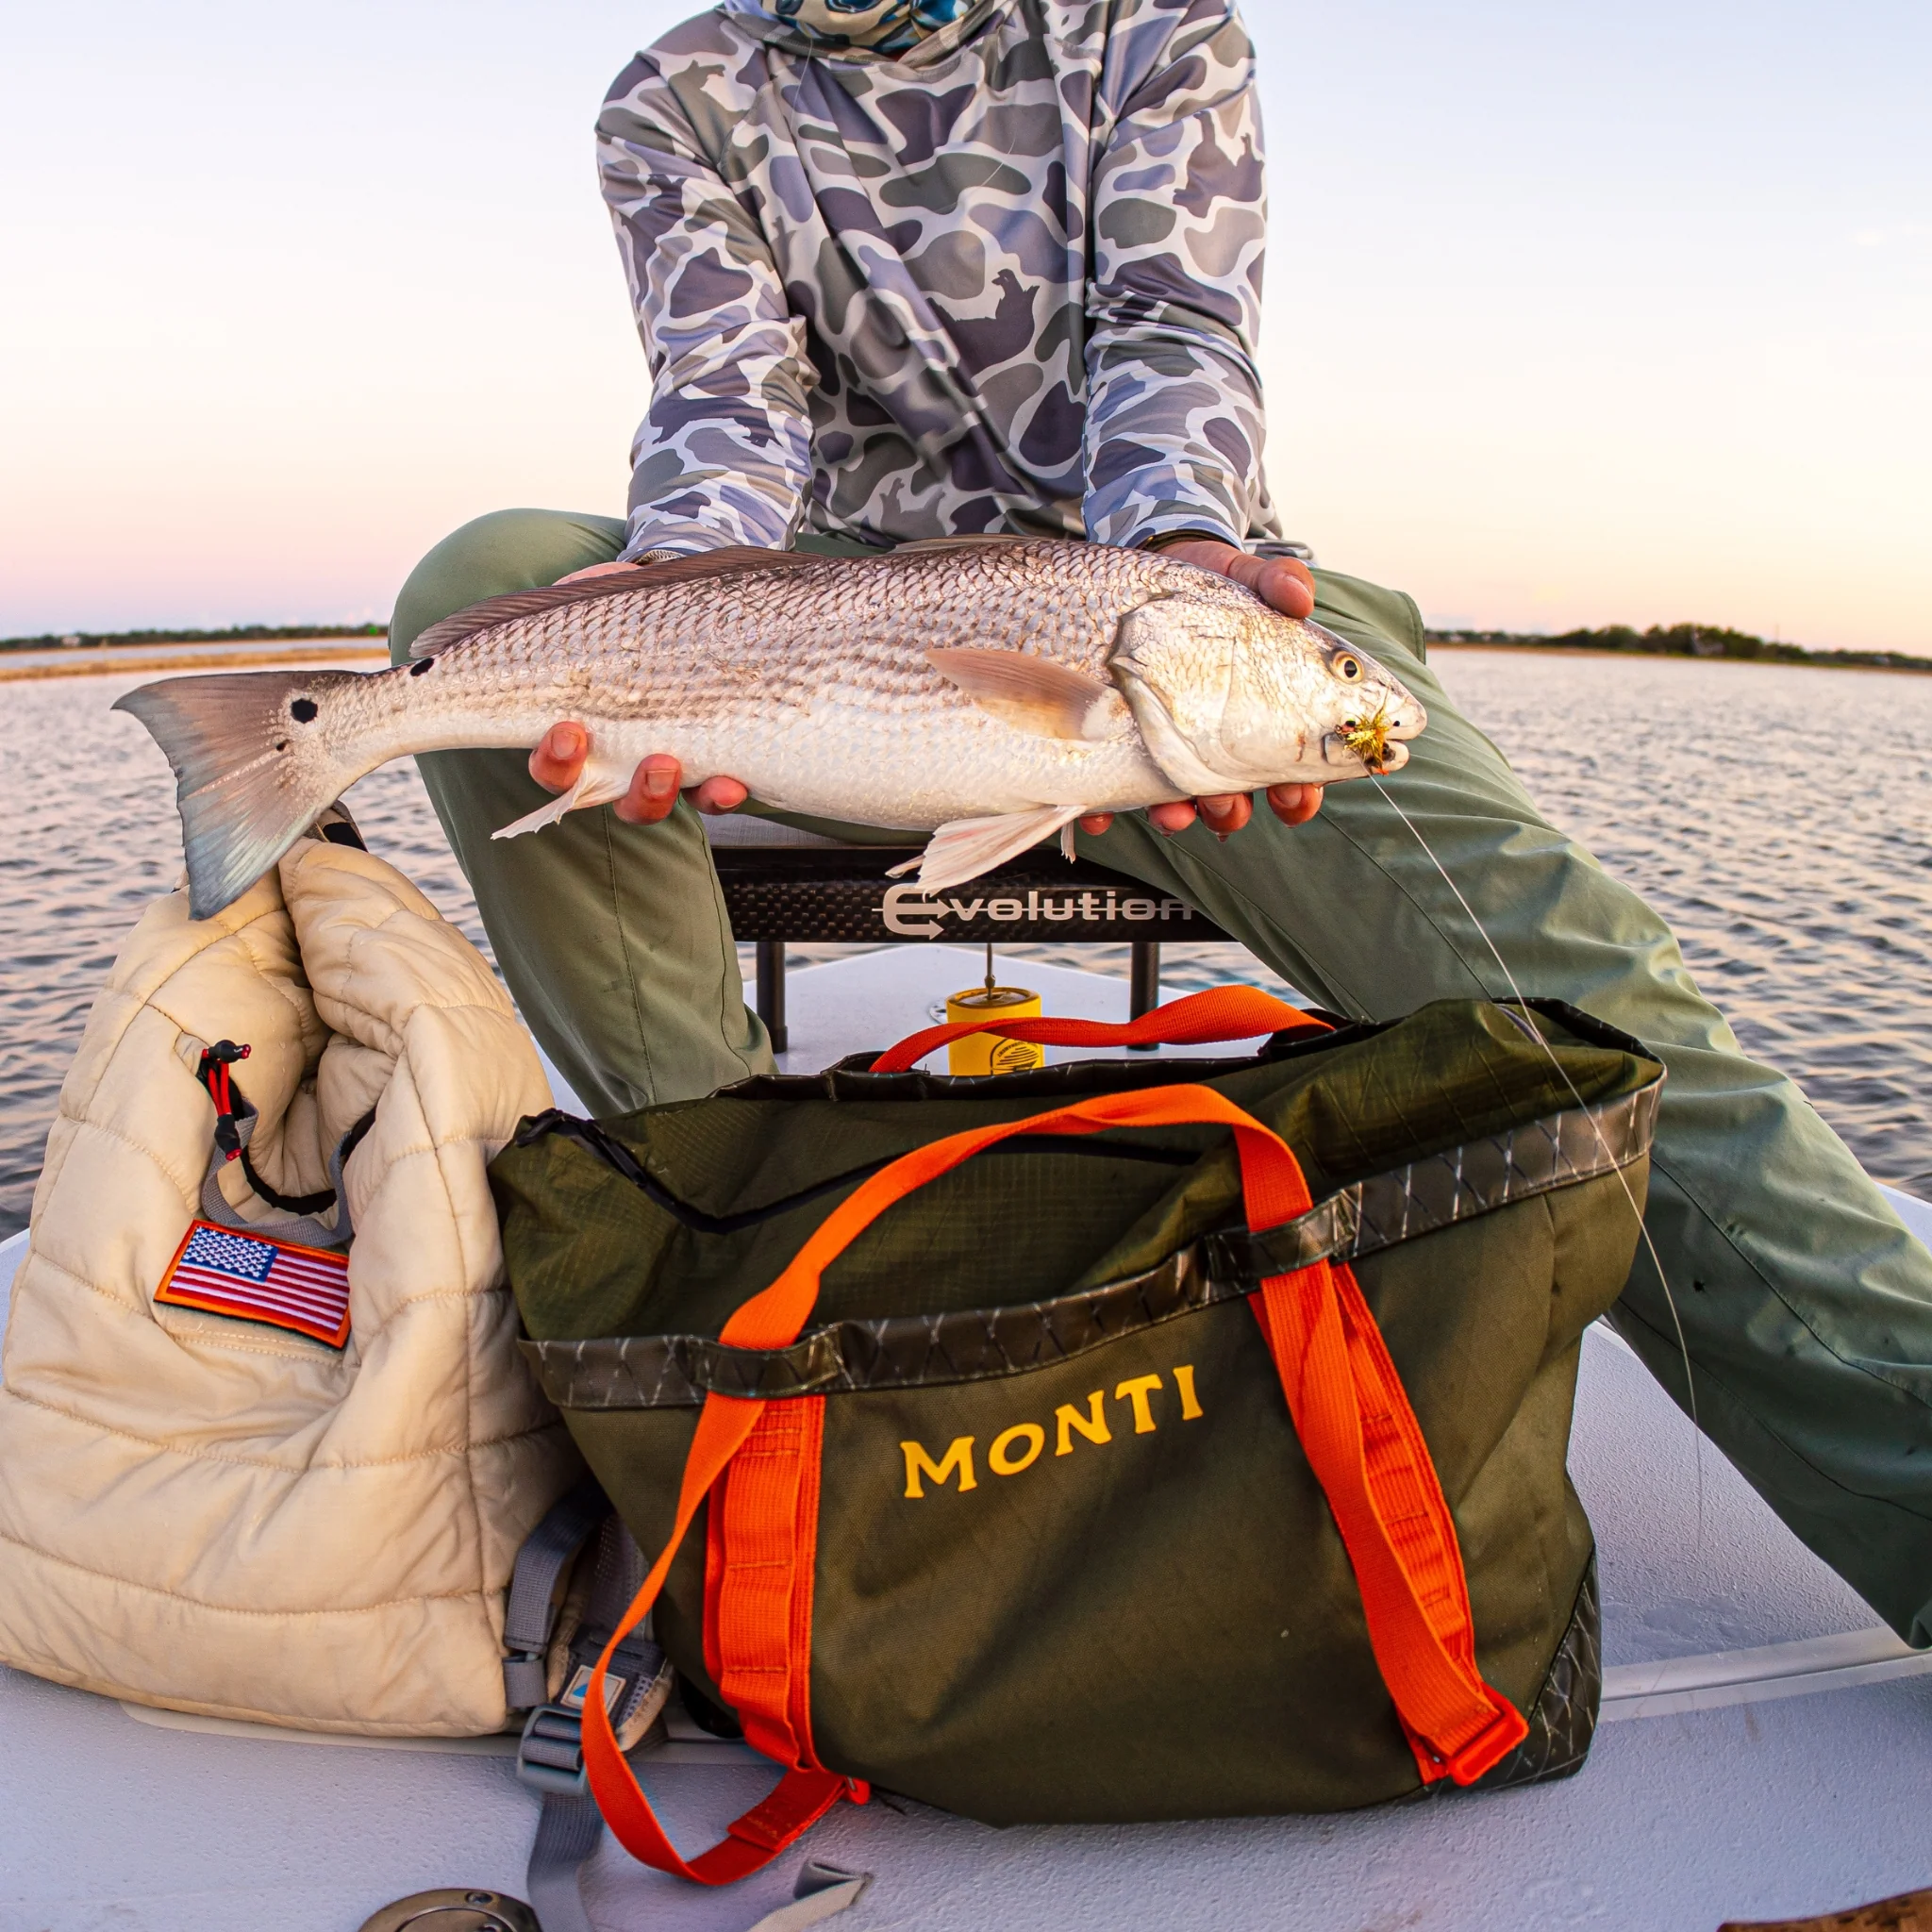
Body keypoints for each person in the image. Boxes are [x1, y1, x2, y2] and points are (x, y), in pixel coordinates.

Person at [390, 0, 1932, 1647]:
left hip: (1170, 621)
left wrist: (1184, 566)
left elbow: (1171, 329)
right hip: (837, 637)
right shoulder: (675, 95)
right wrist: (680, 588)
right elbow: (727, 389)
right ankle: (736, 1266)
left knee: (1573, 983)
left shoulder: (1146, 25)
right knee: (481, 592)